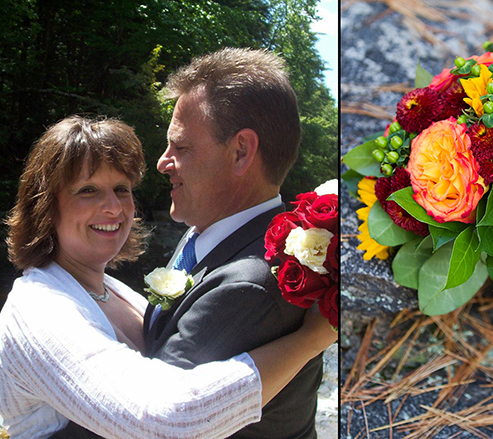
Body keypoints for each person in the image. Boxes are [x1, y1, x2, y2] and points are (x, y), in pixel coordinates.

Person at [0, 116, 338, 439]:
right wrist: (309, 341)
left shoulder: (114, 291)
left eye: (121, 189)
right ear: (45, 205)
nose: (114, 208)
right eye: (88, 190)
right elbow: (162, 421)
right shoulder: (38, 309)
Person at [141, 47, 324, 438]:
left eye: (181, 146)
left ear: (240, 151)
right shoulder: (207, 233)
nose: (163, 161)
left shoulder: (251, 283)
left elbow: (146, 417)